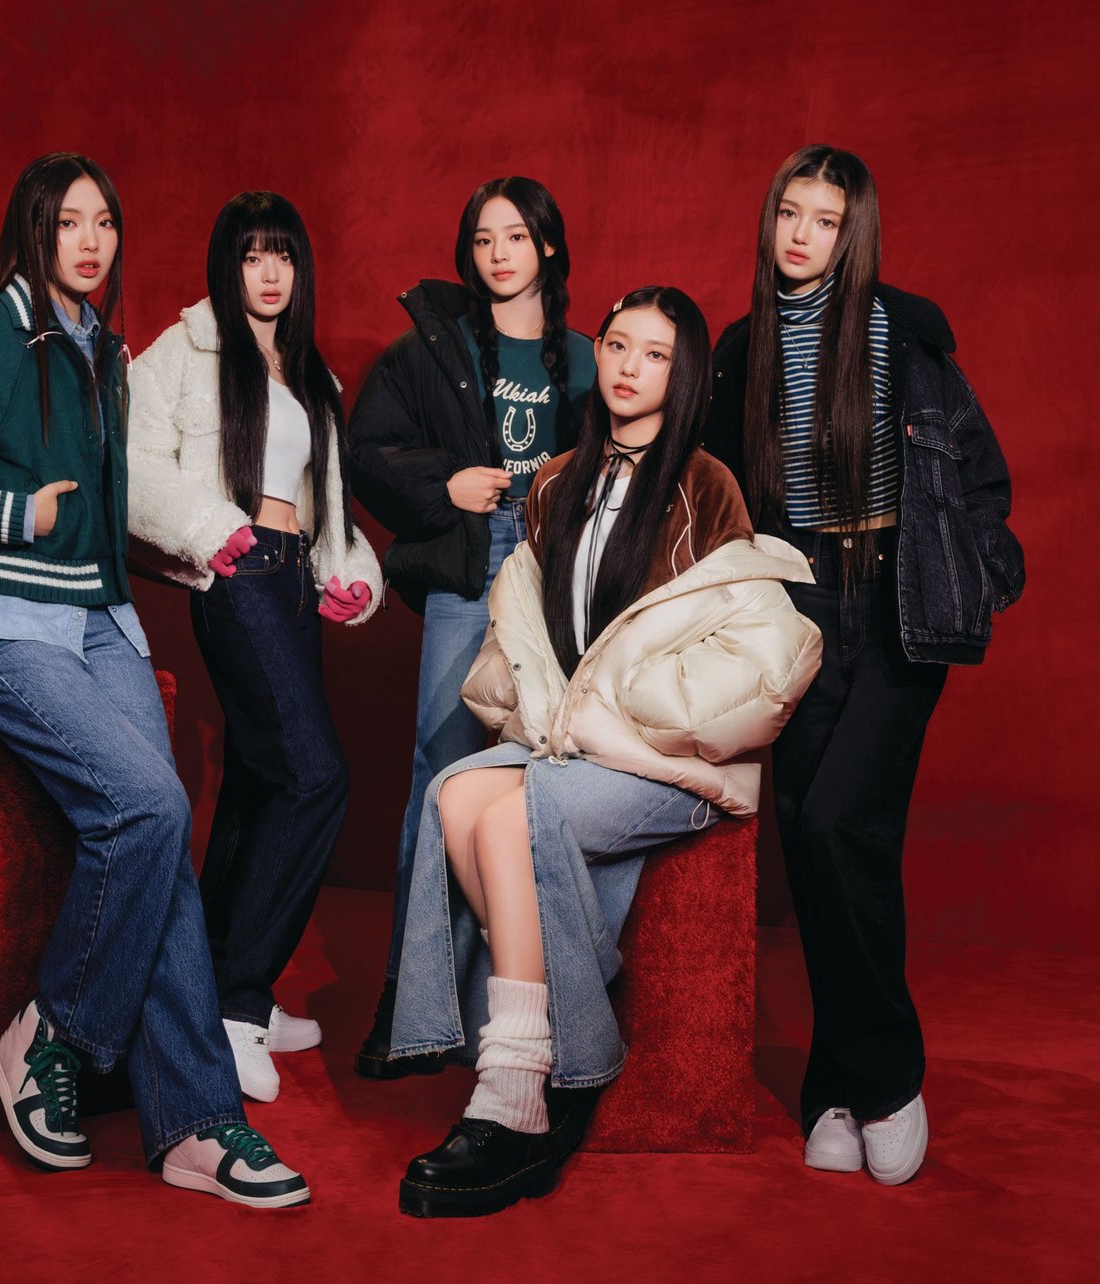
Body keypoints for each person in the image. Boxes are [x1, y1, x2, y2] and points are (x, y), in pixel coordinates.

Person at [0, 154, 309, 1208]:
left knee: (166, 836)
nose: (91, 242)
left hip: (99, 620)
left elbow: (106, 517)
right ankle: (54, 1030)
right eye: (69, 223)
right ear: (33, 232)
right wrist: (14, 515)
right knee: (147, 804)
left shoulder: (103, 350)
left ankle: (195, 1124)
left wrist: (195, 558)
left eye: (104, 222)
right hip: (1, 621)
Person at [388, 287, 823, 1217]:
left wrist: (623, 719)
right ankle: (560, 1011)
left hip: (664, 754)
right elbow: (538, 636)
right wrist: (557, 712)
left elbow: (739, 644)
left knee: (512, 817)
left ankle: (517, 1085)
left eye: (655, 354)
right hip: (574, 741)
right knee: (455, 798)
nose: (629, 366)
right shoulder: (556, 481)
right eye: (619, 345)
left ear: (683, 372)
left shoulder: (706, 484)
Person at [702, 144, 1025, 1186]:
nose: (801, 234)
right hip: (792, 606)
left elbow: (980, 476)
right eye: (788, 213)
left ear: (855, 234)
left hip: (894, 602)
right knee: (812, 837)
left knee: (841, 820)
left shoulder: (903, 335)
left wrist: (976, 572)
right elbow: (715, 493)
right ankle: (834, 1090)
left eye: (826, 219)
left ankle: (885, 1079)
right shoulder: (742, 350)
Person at [126, 191, 380, 1102]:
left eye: (284, 256)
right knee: (315, 777)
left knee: (259, 783)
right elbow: (134, 463)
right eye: (251, 255)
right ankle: (234, 1007)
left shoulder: (312, 374)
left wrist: (352, 575)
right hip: (237, 574)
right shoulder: (186, 351)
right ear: (226, 266)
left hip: (295, 579)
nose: (270, 274)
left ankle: (221, 993)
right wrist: (209, 528)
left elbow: (329, 508)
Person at [347, 177, 597, 1077]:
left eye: (516, 236)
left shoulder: (588, 357)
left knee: (541, 769)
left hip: (550, 566)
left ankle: (522, 998)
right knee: (442, 770)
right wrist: (443, 486)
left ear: (548, 247)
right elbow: (366, 448)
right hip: (470, 557)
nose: (498, 254)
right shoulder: (439, 348)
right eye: (484, 239)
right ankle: (414, 1009)